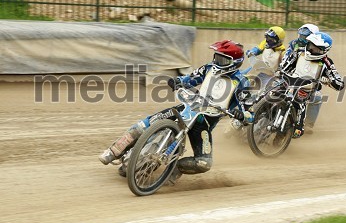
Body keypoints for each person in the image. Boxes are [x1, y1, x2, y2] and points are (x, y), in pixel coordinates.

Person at [99, 40, 250, 179]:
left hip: (203, 123)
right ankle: (113, 151)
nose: (217, 61)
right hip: (188, 107)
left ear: (234, 63)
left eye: (222, 59)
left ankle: (173, 169)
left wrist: (242, 115)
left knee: (204, 163)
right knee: (144, 124)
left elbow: (250, 113)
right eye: (216, 56)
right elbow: (190, 78)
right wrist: (178, 81)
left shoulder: (242, 82)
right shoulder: (209, 68)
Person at [279, 31, 344, 138]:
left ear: (324, 50)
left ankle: (299, 127)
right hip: (289, 82)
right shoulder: (299, 52)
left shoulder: (326, 62)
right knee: (269, 94)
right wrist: (282, 70)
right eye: (310, 45)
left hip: (305, 90)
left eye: (315, 48)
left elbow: (339, 83)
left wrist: (328, 80)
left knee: (300, 102)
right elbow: (284, 66)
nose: (311, 49)